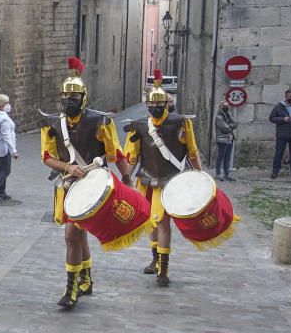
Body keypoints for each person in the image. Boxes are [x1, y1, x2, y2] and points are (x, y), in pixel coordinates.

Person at [40, 57, 130, 308]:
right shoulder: (52, 124)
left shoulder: (99, 121)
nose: (69, 100)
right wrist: (68, 167)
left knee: (72, 235)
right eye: (65, 96)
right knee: (78, 235)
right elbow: (47, 157)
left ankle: (71, 290)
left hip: (93, 186)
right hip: (69, 185)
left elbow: (115, 153)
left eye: (74, 96)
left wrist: (127, 180)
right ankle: (86, 278)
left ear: (83, 97)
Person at [122, 71, 203, 287]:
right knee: (151, 221)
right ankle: (155, 259)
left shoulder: (181, 123)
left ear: (166, 104)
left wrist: (200, 176)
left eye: (158, 104)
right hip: (146, 179)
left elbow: (192, 152)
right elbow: (132, 156)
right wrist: (125, 178)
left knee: (163, 222)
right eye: (151, 104)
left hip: (170, 181)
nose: (154, 108)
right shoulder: (139, 125)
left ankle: (163, 268)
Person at [214, 100, 238, 181]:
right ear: (221, 107)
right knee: (220, 157)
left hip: (230, 139)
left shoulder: (228, 116)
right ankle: (218, 174)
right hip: (222, 139)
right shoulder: (219, 117)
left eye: (227, 106)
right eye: (225, 106)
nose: (226, 107)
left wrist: (229, 118)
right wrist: (231, 126)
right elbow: (226, 129)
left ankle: (227, 174)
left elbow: (236, 123)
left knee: (227, 157)